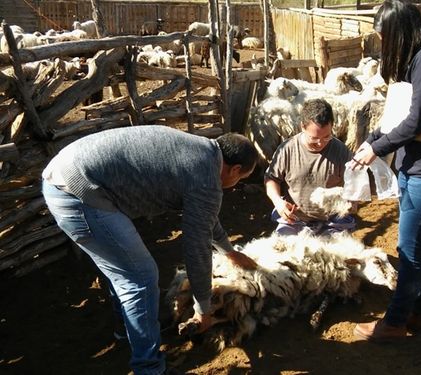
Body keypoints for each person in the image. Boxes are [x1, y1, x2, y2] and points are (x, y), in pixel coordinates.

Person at [41, 125, 259, 375]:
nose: (234, 184)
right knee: (141, 278)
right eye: (239, 180)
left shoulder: (202, 152)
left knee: (123, 270)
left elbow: (205, 218)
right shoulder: (207, 178)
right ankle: (149, 368)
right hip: (80, 194)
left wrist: (228, 251)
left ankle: (127, 330)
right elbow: (196, 248)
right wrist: (203, 309)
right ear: (235, 169)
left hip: (67, 175)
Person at [350, 0, 421, 341]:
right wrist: (371, 139)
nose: (382, 43)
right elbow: (398, 116)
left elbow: (418, 120)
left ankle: (395, 322)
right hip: (417, 167)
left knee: (410, 251)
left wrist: (377, 149)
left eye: (384, 35)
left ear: (399, 31)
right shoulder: (419, 59)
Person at [264, 98, 355, 236]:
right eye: (314, 138)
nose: (320, 143)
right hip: (295, 218)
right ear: (302, 127)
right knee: (286, 251)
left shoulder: (342, 152)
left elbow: (354, 185)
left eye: (326, 136)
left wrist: (351, 201)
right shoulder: (287, 150)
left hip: (332, 220)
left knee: (333, 254)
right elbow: (271, 179)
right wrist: (278, 202)